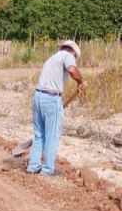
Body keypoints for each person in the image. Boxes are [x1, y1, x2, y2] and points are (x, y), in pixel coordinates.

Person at [26, 40, 88, 176]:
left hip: (38, 96)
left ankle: (33, 166)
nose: (74, 59)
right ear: (73, 52)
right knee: (52, 135)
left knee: (39, 135)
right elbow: (72, 70)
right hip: (51, 98)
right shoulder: (68, 55)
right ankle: (48, 170)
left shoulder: (51, 59)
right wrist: (80, 81)